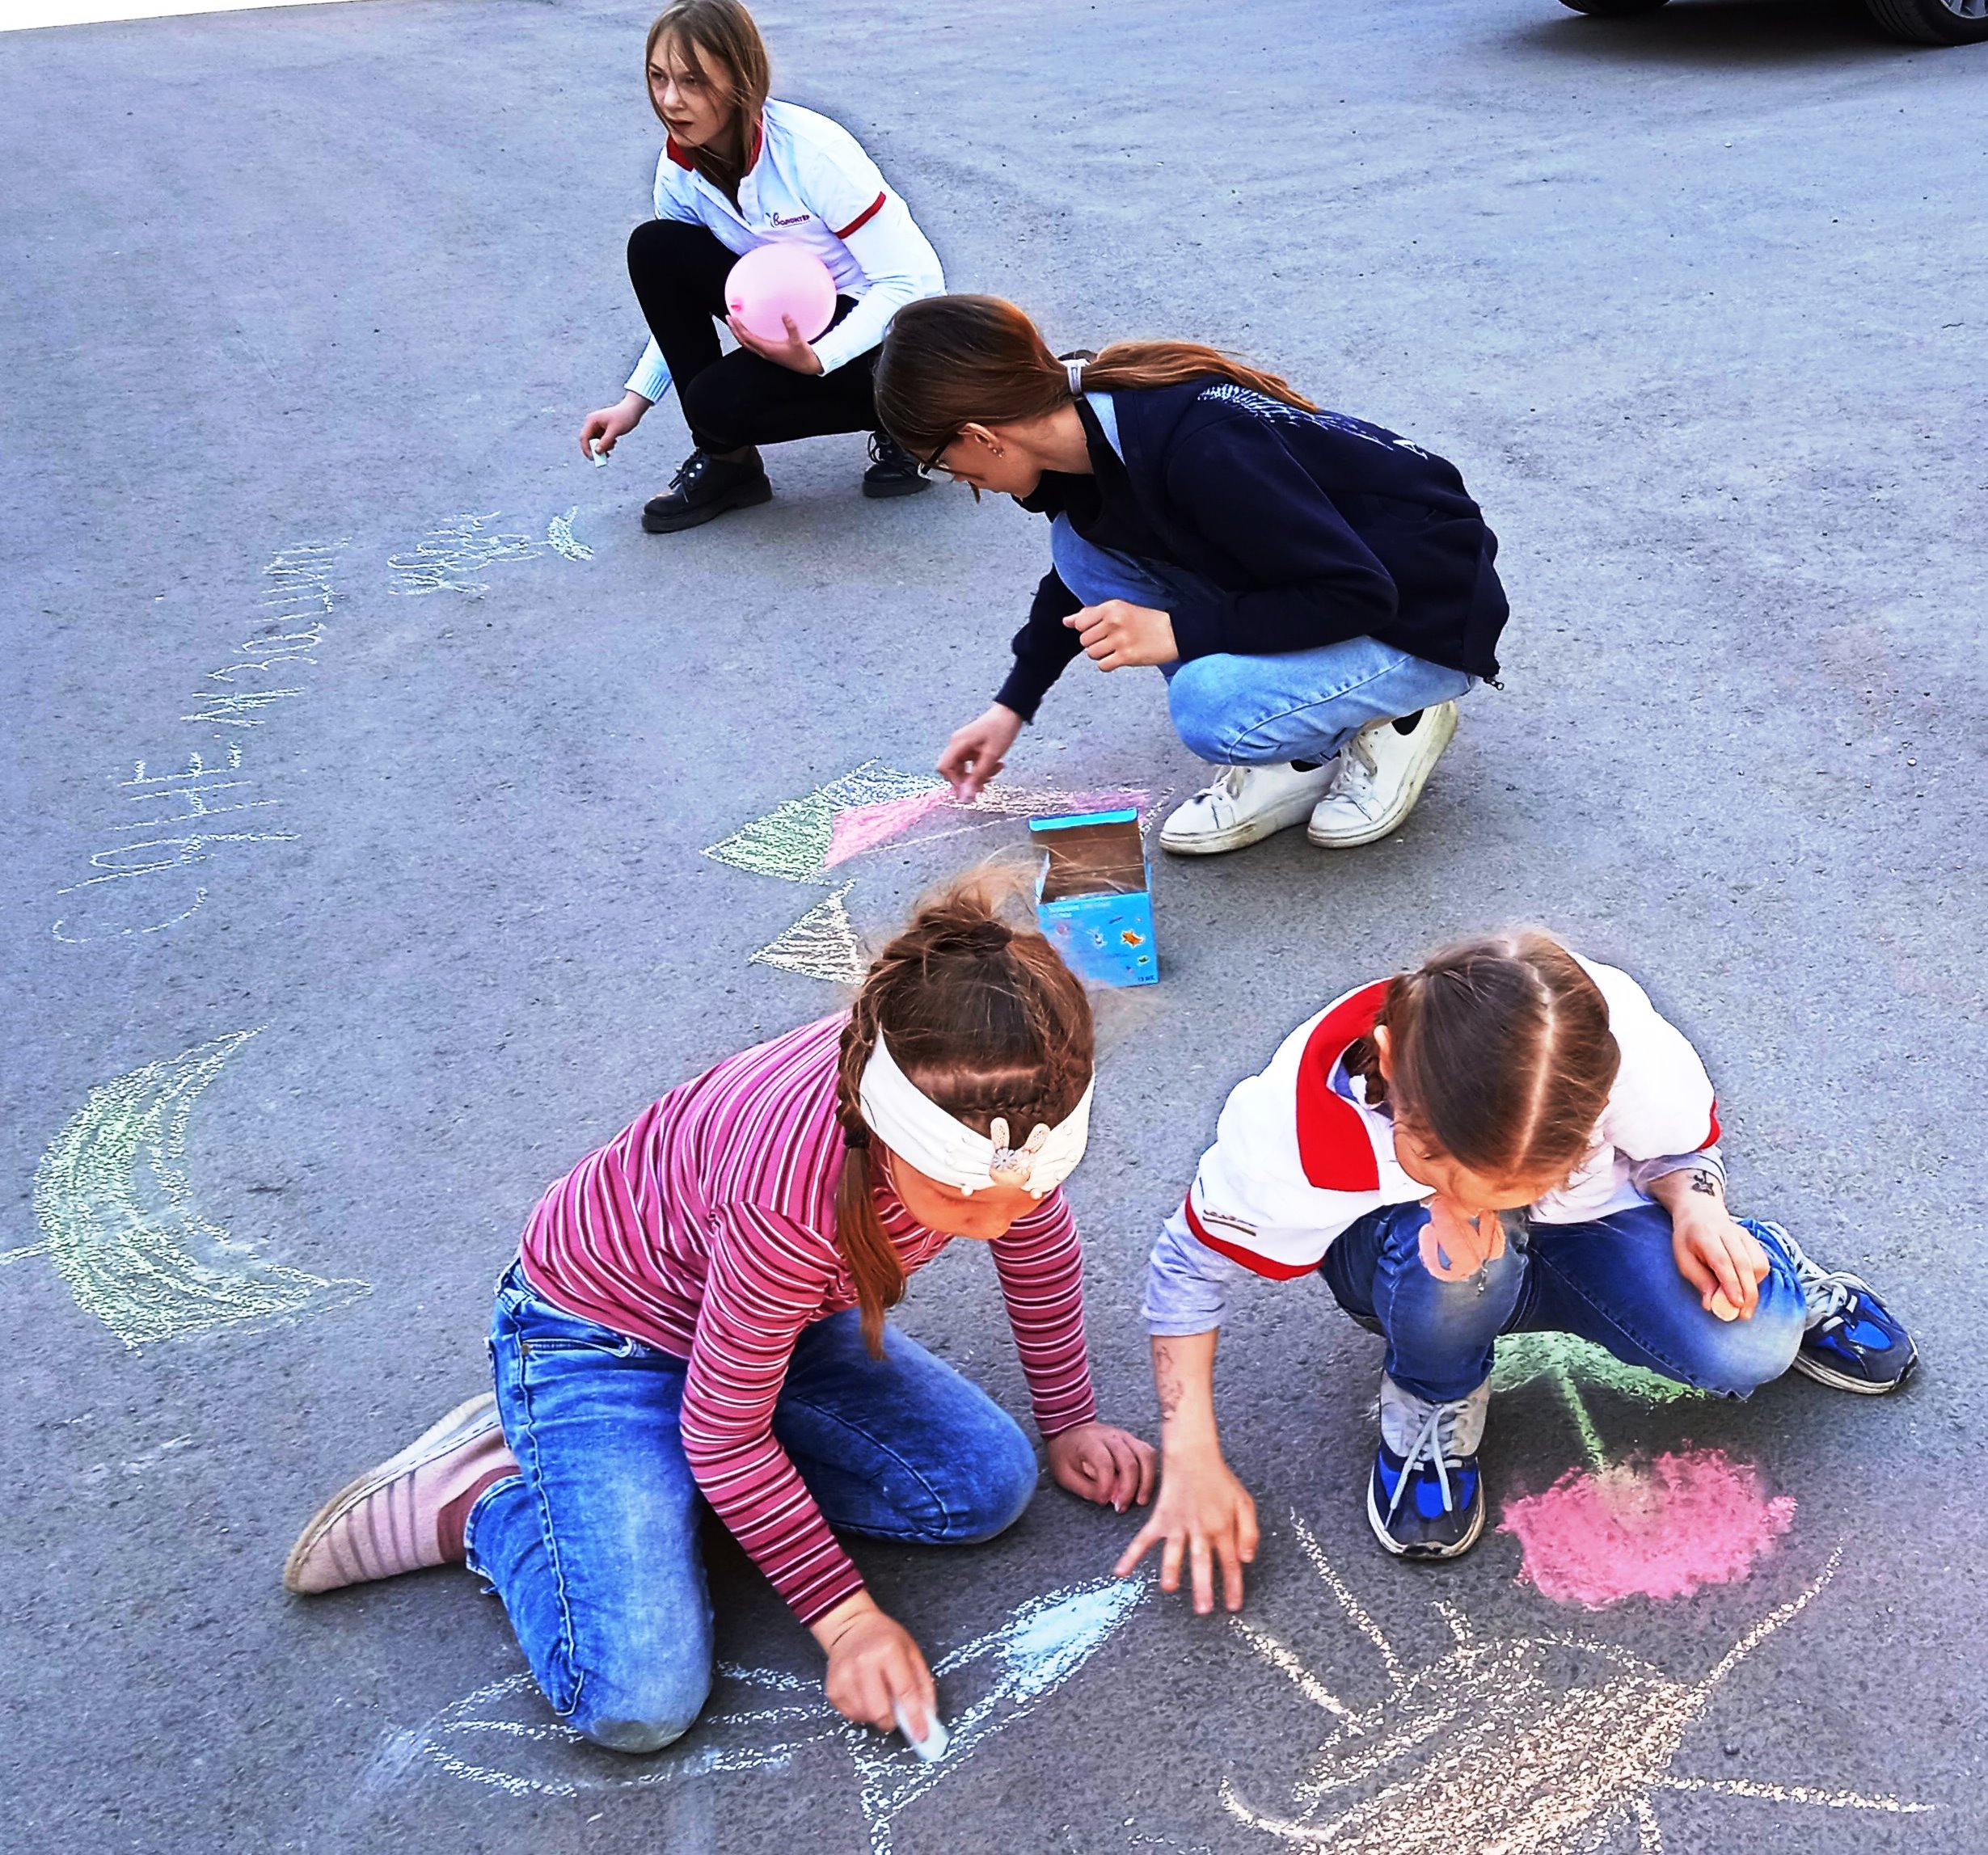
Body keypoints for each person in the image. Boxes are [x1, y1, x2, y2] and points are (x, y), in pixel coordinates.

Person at [282, 877, 1154, 1752]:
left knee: (982, 1486)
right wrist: (846, 1623)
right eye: (962, 1200)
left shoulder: (993, 1103)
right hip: (598, 1338)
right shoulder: (787, 1203)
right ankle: (494, 1500)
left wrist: (1068, 1421)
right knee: (637, 1702)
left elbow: (1037, 1252)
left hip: (760, 1325)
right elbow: (725, 1436)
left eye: (1026, 1190)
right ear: (883, 1134)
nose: (998, 1220)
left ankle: (663, 1496)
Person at [1116, 930, 1915, 1610]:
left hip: (1587, 1233)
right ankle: (1434, 1393)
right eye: (1437, 1161)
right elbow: (1187, 1270)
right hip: (1408, 1266)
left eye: (1525, 1177)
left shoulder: (1604, 1038)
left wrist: (1696, 1205)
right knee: (1455, 1263)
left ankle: (1779, 1269)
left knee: (1746, 1347)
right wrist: (1188, 1453)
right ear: (1388, 1061)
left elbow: (1676, 1147)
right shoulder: (1292, 1134)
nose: (1475, 1198)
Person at [872, 295, 1509, 857]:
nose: (956, 480)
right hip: (1337, 581)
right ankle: (1297, 754)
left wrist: (1180, 629)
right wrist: (1011, 704)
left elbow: (1359, 592)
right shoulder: (1086, 428)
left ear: (980, 436)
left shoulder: (1197, 448)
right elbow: (1076, 579)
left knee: (1211, 705)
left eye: (939, 461)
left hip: (1426, 617)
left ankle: (1396, 720)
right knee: (1079, 549)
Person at [579, 0, 945, 533]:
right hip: (796, 325)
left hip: (884, 333)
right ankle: (730, 464)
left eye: (693, 81)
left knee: (713, 402)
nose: (670, 100)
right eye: (658, 78)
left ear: (741, 80)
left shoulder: (812, 152)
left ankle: (915, 415)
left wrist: (819, 358)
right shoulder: (678, 169)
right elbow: (679, 299)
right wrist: (635, 400)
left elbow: (915, 281)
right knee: (656, 247)